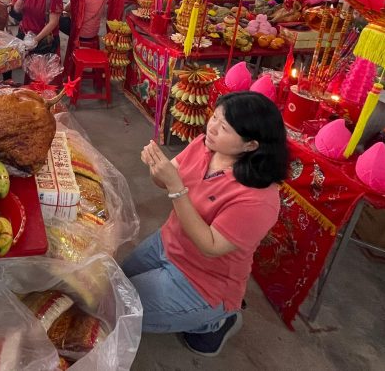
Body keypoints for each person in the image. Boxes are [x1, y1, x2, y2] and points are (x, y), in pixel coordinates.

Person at [123, 92, 287, 356]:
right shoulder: (205, 144)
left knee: (120, 312)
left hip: (202, 280)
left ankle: (216, 320)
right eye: (214, 117)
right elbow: (166, 179)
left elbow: (210, 245)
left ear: (250, 145)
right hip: (168, 243)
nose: (211, 128)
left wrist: (176, 186)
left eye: (223, 127)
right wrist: (158, 169)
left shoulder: (258, 198)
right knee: (113, 283)